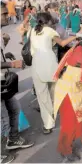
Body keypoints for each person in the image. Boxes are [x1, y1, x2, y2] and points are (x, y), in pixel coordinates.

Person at [29, 12, 78, 134]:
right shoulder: (49, 31)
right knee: (56, 89)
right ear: (48, 21)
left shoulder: (32, 31)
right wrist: (75, 36)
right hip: (49, 63)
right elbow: (62, 43)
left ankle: (48, 124)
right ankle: (63, 110)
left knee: (42, 95)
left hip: (36, 64)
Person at [1, 33, 34, 164]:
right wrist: (11, 64)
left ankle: (13, 139)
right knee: (3, 120)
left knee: (15, 109)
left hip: (3, 82)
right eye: (3, 13)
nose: (7, 14)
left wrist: (6, 54)